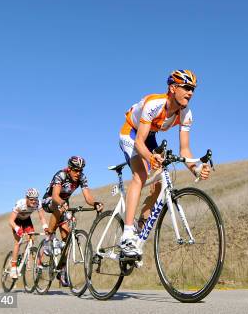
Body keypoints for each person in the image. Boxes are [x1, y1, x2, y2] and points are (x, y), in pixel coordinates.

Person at [119, 69, 211, 258]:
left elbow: (184, 150)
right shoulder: (155, 104)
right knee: (141, 175)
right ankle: (127, 233)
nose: (190, 92)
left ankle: (139, 227)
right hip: (132, 133)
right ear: (172, 87)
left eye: (193, 89)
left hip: (150, 136)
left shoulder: (186, 114)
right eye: (186, 87)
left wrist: (196, 169)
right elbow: (139, 142)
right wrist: (150, 157)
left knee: (160, 184)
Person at [41, 156, 104, 286]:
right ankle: (49, 238)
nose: (78, 173)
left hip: (64, 204)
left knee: (67, 240)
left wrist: (95, 203)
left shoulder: (82, 178)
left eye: (80, 170)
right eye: (75, 170)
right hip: (50, 201)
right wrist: (62, 204)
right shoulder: (61, 175)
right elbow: (55, 195)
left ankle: (62, 270)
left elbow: (88, 197)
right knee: (58, 206)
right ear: (69, 169)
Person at [8, 188, 48, 279]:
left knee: (32, 239)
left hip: (26, 221)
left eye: (35, 199)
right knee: (17, 242)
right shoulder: (20, 204)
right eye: (31, 199)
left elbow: (42, 217)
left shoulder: (38, 203)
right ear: (26, 198)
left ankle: (27, 255)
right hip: (17, 221)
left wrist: (45, 227)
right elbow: (10, 221)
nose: (34, 201)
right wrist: (17, 228)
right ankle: (13, 267)